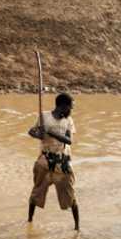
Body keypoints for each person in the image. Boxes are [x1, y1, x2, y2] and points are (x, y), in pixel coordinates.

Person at [27, 93, 80, 230]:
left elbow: (69, 141)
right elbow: (36, 134)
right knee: (36, 193)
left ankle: (77, 227)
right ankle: (29, 220)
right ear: (62, 106)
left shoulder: (68, 121)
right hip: (44, 160)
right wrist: (35, 133)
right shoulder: (44, 117)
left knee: (71, 195)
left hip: (62, 162)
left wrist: (51, 133)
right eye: (70, 107)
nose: (71, 110)